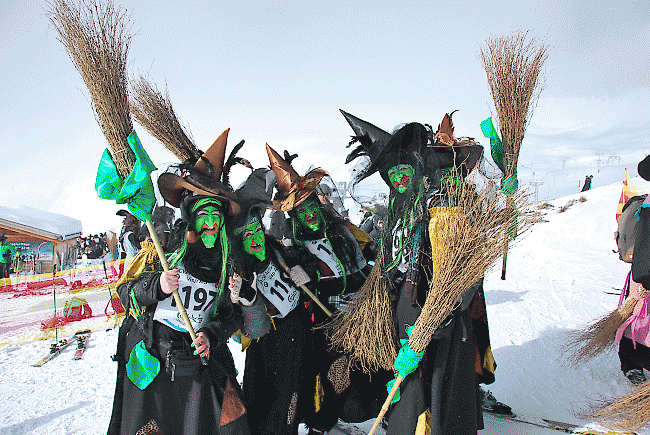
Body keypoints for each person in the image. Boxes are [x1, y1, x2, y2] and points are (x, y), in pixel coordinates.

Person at [341, 110, 485, 435]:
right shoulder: (396, 210)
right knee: (406, 399)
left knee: (430, 404)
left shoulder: (441, 210)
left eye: (404, 170)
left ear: (418, 169)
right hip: (405, 324)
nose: (399, 179)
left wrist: (427, 330)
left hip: (436, 327)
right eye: (392, 174)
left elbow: (458, 280)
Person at [107, 129, 250, 435]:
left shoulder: (227, 264)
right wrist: (157, 285)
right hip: (156, 356)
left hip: (202, 357)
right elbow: (125, 292)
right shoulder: (164, 252)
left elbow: (231, 316)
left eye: (217, 214)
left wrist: (212, 334)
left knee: (230, 421)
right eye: (204, 214)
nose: (211, 222)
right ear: (192, 220)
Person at [266, 144, 388, 435]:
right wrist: (304, 275)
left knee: (363, 371)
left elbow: (364, 261)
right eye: (301, 211)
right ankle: (316, 423)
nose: (309, 214)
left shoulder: (343, 231)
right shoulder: (293, 247)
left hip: (359, 314)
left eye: (312, 207)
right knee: (321, 375)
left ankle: (360, 414)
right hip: (322, 323)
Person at [228, 167, 316, 435]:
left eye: (257, 231)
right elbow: (247, 327)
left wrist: (306, 274)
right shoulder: (239, 271)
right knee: (258, 399)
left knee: (288, 397)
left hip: (294, 334)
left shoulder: (277, 251)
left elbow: (306, 269)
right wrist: (248, 300)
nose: (255, 239)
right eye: (247, 236)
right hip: (263, 344)